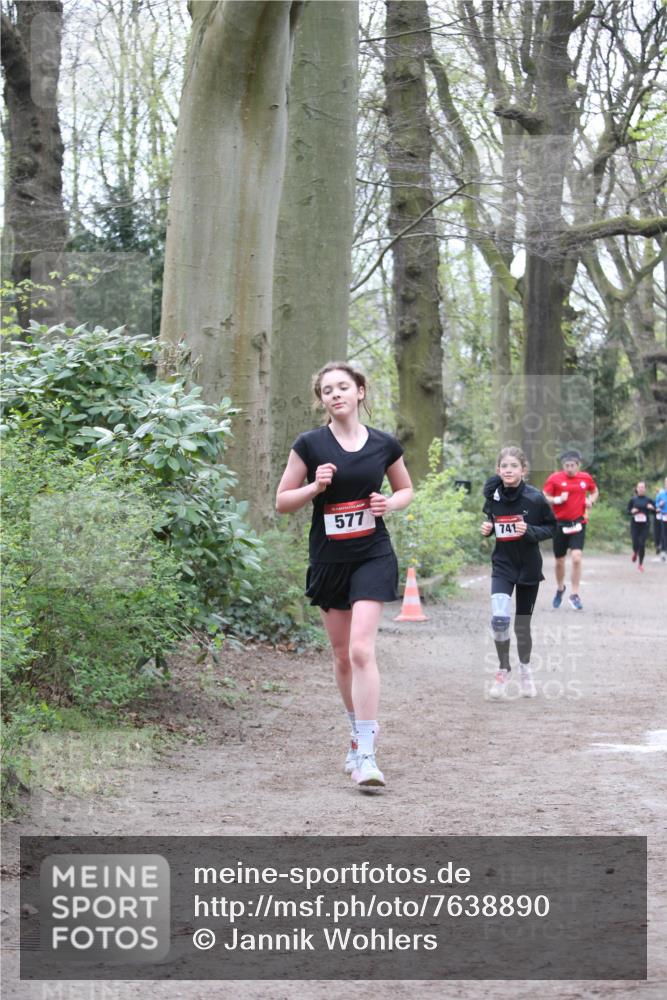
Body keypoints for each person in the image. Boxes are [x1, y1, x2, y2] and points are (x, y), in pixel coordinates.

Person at [275, 362, 412, 790]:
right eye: (327, 390)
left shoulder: (384, 444)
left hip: (373, 554)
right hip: (329, 559)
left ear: (360, 392)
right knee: (341, 656)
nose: (335, 394)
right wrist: (314, 488)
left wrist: (389, 504)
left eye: (342, 387)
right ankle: (356, 732)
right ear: (322, 400)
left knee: (361, 650)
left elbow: (406, 489)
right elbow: (282, 501)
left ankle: (368, 754)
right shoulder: (309, 445)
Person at [481, 446, 556, 700]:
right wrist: (489, 529)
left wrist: (530, 531)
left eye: (514, 466)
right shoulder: (493, 496)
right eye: (504, 466)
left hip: (528, 567)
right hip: (502, 565)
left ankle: (525, 669)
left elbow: (552, 527)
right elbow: (494, 522)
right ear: (498, 470)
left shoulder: (535, 498)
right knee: (499, 620)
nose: (508, 470)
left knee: (522, 626)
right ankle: (503, 668)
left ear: (523, 470)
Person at [543, 450, 599, 611]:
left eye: (572, 465)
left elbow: (594, 491)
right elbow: (544, 495)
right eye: (566, 465)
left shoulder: (585, 478)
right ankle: (560, 588)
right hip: (560, 524)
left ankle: (574, 594)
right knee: (559, 561)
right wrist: (557, 499)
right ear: (563, 466)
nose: (569, 468)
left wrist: (591, 500)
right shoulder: (554, 478)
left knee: (576, 557)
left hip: (578, 523)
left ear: (578, 465)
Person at [626, 482, 655, 572]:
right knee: (635, 542)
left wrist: (652, 508)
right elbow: (627, 511)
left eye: (643, 487)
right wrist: (632, 511)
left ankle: (640, 564)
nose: (641, 489)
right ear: (637, 489)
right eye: (639, 487)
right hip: (635, 524)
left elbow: (655, 512)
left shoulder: (649, 500)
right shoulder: (633, 500)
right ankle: (635, 552)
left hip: (645, 525)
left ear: (645, 489)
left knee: (642, 543)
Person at [655, 476, 667, 562]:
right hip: (664, 516)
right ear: (665, 484)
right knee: (664, 534)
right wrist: (659, 505)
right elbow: (656, 504)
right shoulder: (661, 494)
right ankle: (663, 552)